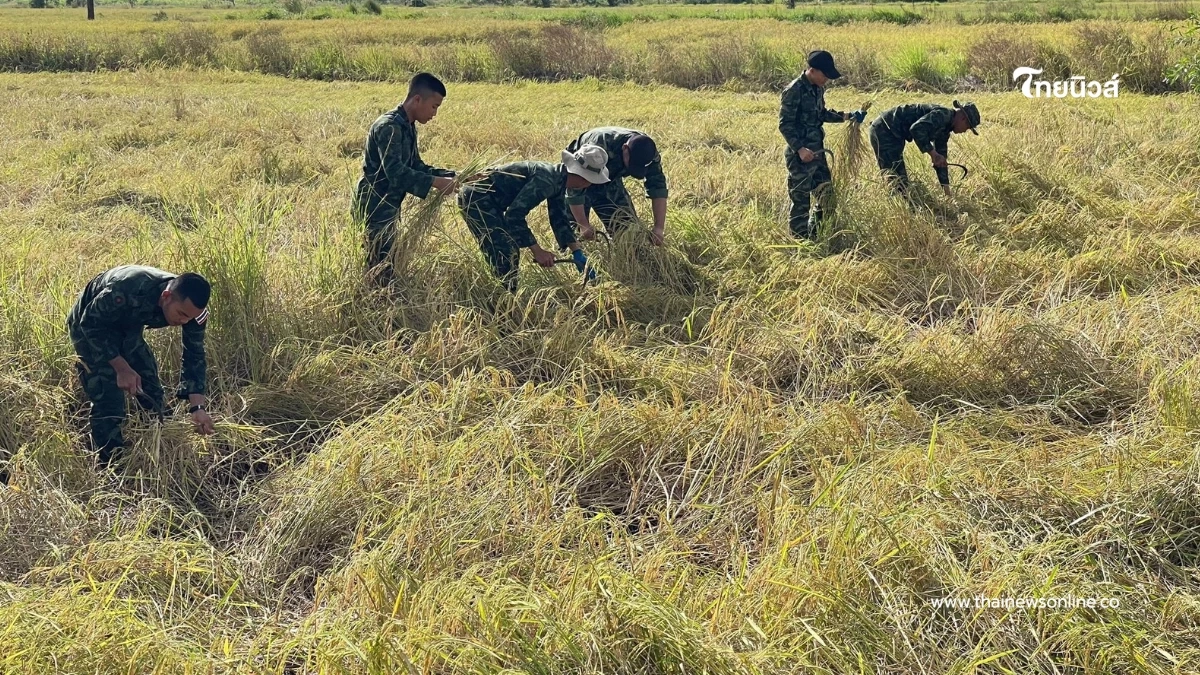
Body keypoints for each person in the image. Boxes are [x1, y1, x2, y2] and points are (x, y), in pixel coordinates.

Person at [66, 265, 215, 468]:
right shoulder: (128, 288)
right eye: (181, 314)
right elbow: (90, 324)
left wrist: (197, 407)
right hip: (91, 327)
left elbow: (194, 354)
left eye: (188, 317)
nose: (184, 321)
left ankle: (161, 448)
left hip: (128, 326)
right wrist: (121, 367)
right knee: (109, 399)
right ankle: (112, 466)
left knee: (151, 386)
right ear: (166, 296)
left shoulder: (193, 312)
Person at [458, 145, 611, 293]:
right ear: (584, 179)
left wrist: (576, 252)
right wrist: (538, 251)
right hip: (476, 197)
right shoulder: (547, 181)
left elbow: (559, 218)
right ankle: (502, 300)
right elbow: (514, 215)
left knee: (507, 248)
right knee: (505, 250)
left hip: (490, 200)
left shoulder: (559, 178)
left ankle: (505, 294)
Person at [353, 72, 458, 283]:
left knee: (386, 263)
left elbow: (415, 165)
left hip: (389, 204)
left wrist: (451, 175)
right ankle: (374, 309)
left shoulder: (407, 126)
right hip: (375, 205)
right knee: (379, 268)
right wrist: (437, 183)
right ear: (417, 99)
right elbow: (396, 173)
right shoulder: (389, 127)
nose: (434, 114)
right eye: (434, 106)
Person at [778, 50, 866, 240]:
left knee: (828, 198)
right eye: (825, 75)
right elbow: (785, 124)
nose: (827, 79)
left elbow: (821, 113)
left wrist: (848, 116)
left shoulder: (817, 88)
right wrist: (800, 149)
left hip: (817, 153)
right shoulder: (794, 91)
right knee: (801, 202)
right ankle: (800, 243)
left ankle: (815, 235)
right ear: (812, 70)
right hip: (800, 157)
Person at [564, 127, 668, 246]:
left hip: (610, 180)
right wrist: (583, 224)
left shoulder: (648, 152)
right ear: (625, 149)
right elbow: (574, 189)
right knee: (573, 236)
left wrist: (659, 228)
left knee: (630, 236)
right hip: (580, 175)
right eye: (632, 165)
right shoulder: (598, 147)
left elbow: (658, 187)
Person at [869, 100, 981, 198]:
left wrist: (947, 193)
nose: (964, 131)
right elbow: (916, 129)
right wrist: (933, 154)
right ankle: (897, 212)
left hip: (893, 135)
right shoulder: (943, 115)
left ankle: (903, 206)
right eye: (967, 127)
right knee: (897, 181)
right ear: (963, 118)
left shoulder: (945, 129)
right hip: (885, 130)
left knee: (900, 182)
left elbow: (941, 161)